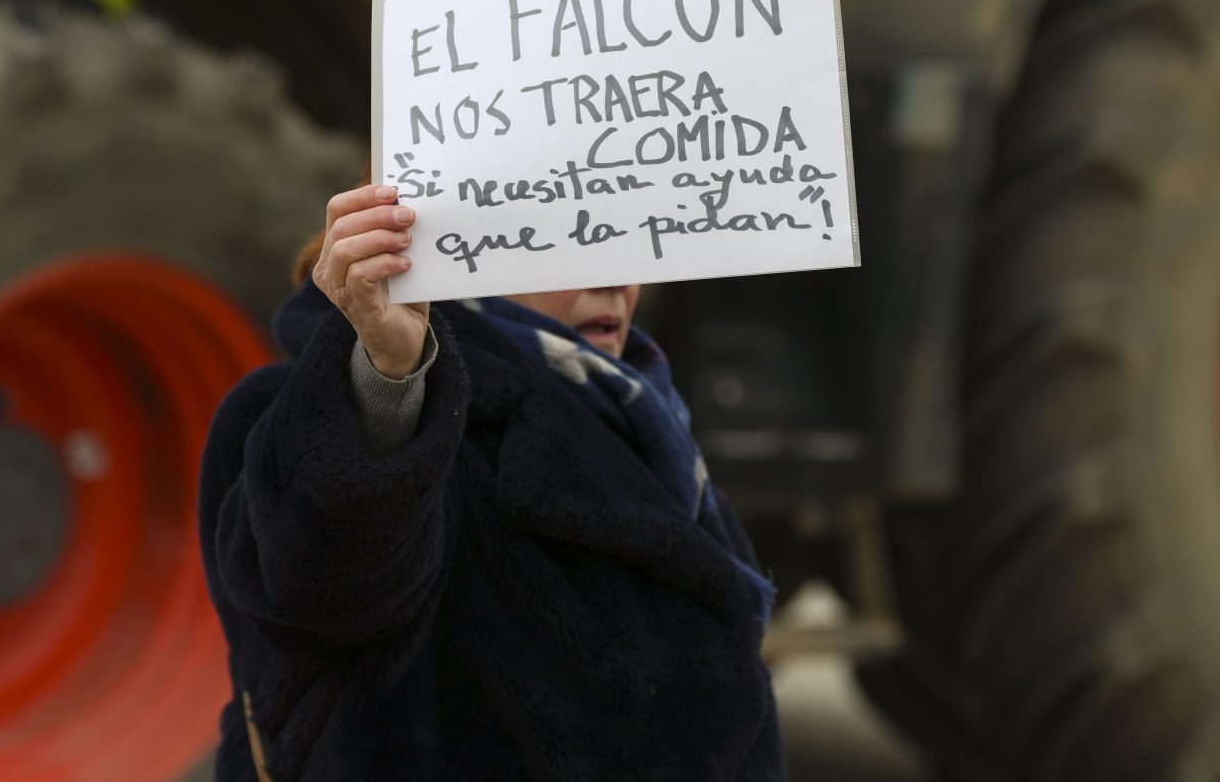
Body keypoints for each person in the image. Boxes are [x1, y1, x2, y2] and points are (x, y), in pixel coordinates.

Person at [197, 183, 785, 780]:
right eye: (571, 236)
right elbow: (316, 591)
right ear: (445, 248)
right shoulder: (311, 418)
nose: (613, 278)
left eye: (626, 233)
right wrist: (388, 381)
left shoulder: (634, 409)